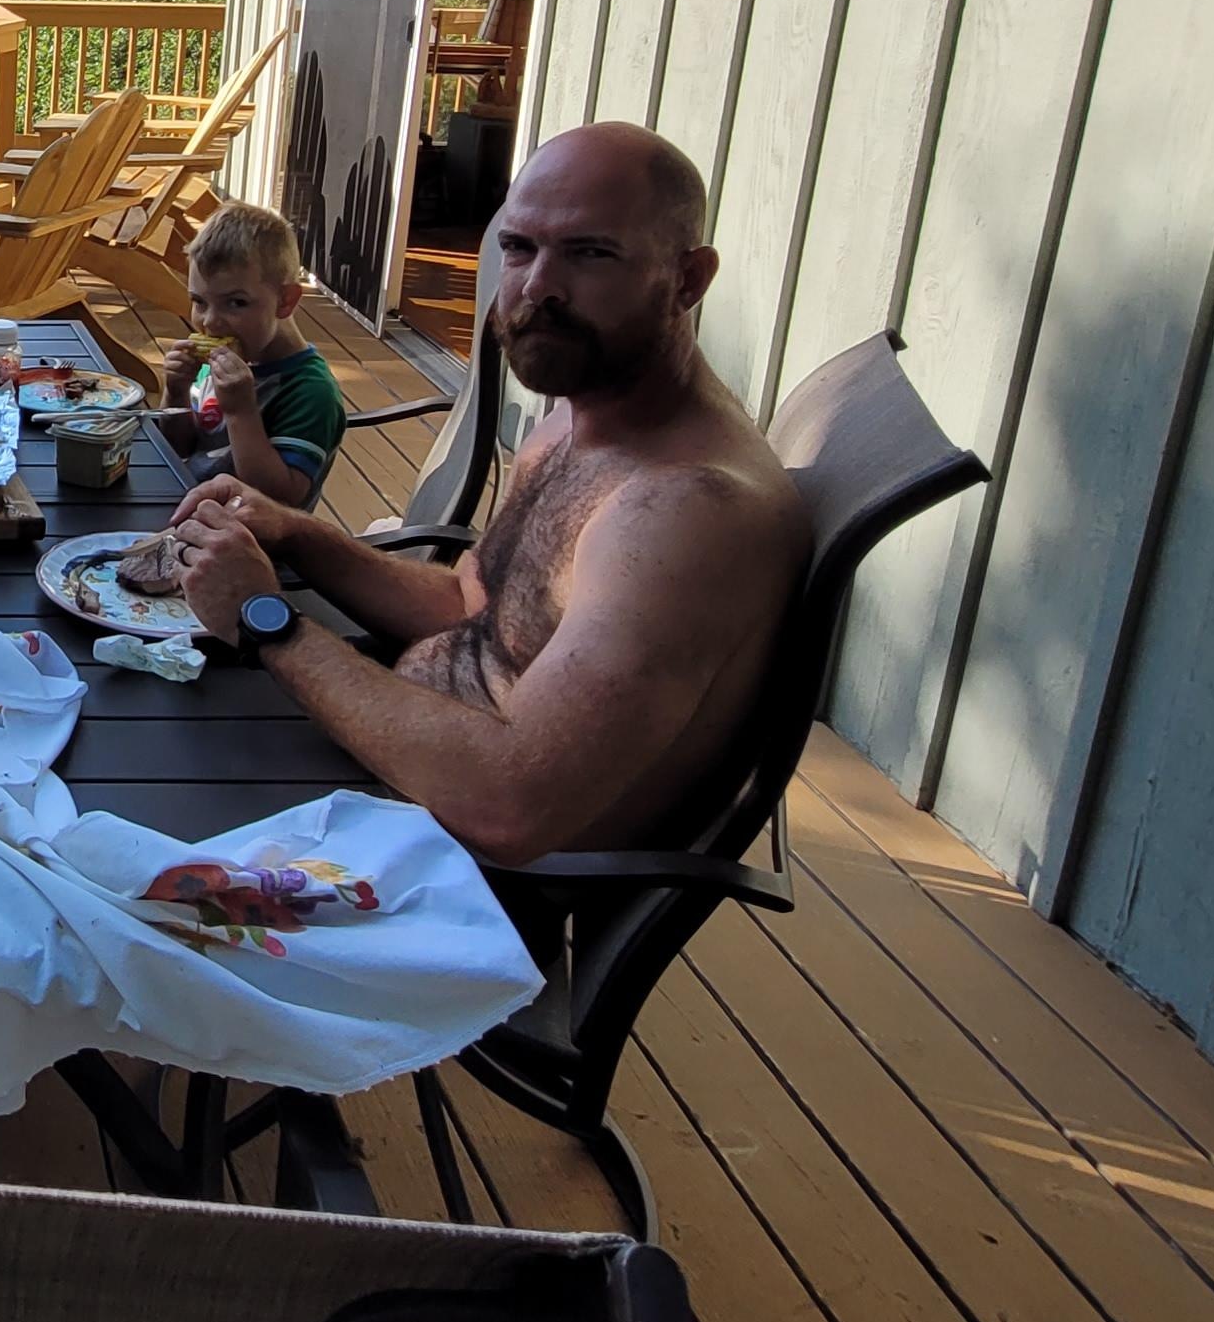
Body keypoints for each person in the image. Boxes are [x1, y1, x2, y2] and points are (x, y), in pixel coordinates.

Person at [157, 123, 805, 866]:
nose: (538, 288)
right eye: (519, 247)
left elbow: (510, 806)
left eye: (590, 253)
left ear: (687, 279)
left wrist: (265, 618)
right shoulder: (578, 422)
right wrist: (297, 533)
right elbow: (473, 604)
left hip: (448, 881)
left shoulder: (685, 514)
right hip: (406, 778)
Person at [150, 201, 344, 508]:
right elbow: (180, 446)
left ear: (285, 300)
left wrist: (241, 411)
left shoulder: (310, 391)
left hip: (250, 544)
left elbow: (278, 501)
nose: (210, 322)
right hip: (189, 510)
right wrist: (176, 394)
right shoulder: (226, 362)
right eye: (199, 302)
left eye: (236, 303)